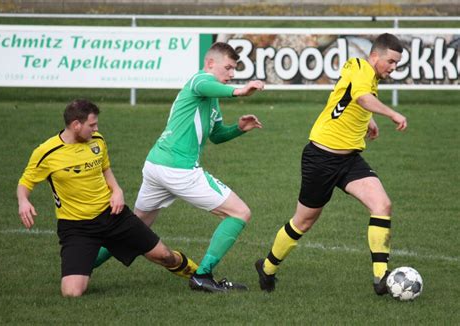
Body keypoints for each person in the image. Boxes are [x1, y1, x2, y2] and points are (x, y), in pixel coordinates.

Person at [255, 33, 407, 295]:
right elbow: (360, 97)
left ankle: (381, 278)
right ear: (375, 56)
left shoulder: (366, 75)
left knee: (382, 205)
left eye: (396, 63)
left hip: (349, 160)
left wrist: (367, 119)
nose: (393, 68)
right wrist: (391, 112)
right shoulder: (361, 68)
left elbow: (346, 97)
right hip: (321, 159)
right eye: (391, 61)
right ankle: (267, 267)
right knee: (303, 222)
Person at [17, 99, 198, 297]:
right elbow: (25, 183)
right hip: (77, 227)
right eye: (92, 125)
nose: (96, 129)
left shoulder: (98, 141)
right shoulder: (46, 152)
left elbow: (105, 169)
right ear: (76, 125)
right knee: (72, 292)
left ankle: (199, 275)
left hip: (113, 216)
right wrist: (23, 201)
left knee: (164, 256)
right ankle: (83, 262)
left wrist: (117, 191)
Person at [131, 42, 264, 293]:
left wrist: (239, 128)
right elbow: (206, 84)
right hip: (178, 169)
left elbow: (216, 135)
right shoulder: (199, 80)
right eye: (228, 67)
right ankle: (202, 276)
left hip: (156, 165)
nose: (232, 74)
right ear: (210, 63)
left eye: (234, 69)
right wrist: (241, 92)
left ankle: (82, 265)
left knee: (134, 228)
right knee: (239, 212)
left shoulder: (211, 99)